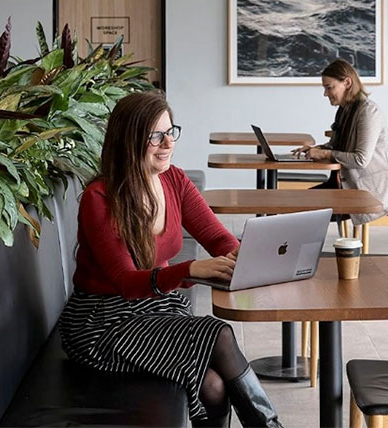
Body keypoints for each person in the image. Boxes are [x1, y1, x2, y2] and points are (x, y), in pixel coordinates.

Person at [59, 91, 283, 428]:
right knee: (218, 332)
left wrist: (247, 256)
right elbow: (125, 281)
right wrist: (190, 270)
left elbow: (215, 237)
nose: (167, 143)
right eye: (155, 136)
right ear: (128, 139)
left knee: (214, 384)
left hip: (157, 307)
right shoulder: (99, 197)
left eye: (170, 132)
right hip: (101, 322)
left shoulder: (174, 180)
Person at [293, 59, 388, 225]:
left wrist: (325, 153)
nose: (325, 93)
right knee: (292, 205)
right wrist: (316, 149)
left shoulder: (368, 112)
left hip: (367, 193)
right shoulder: (344, 111)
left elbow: (360, 160)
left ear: (347, 83)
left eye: (329, 87)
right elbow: (335, 146)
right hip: (344, 186)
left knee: (296, 210)